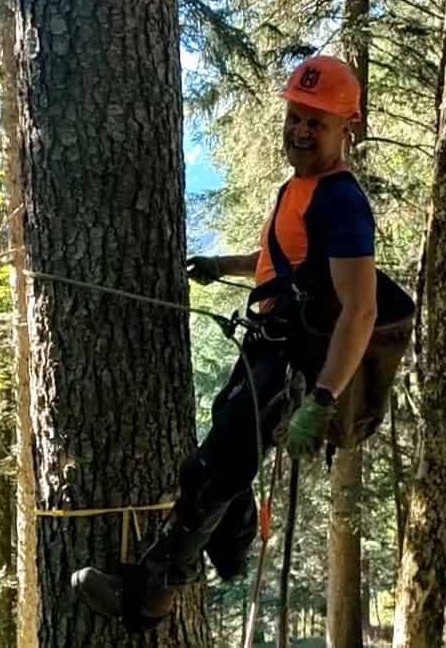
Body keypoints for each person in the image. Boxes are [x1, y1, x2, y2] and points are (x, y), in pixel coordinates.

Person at [71, 55, 379, 629]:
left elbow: (361, 309)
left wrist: (323, 399)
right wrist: (225, 264)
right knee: (222, 466)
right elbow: (282, 263)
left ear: (346, 128)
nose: (301, 130)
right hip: (265, 349)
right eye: (295, 117)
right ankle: (230, 551)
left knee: (211, 471)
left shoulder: (341, 201)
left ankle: (148, 597)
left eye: (317, 121)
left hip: (290, 366)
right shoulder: (299, 188)